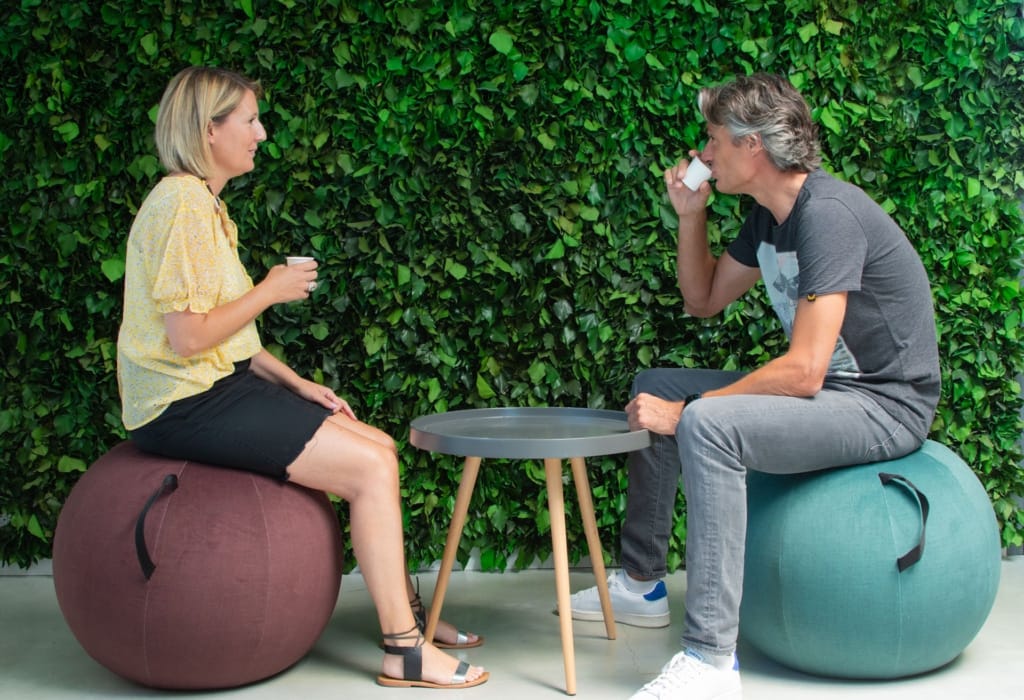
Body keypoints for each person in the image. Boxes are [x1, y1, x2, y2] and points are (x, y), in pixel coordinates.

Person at [568, 73, 941, 699]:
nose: (703, 155)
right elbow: (703, 299)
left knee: (704, 422)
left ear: (752, 148)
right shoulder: (768, 218)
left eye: (713, 140)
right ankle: (642, 583)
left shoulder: (827, 216)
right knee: (657, 383)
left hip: (883, 404)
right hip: (834, 392)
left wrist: (688, 412)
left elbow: (806, 370)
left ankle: (711, 662)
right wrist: (690, 217)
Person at [115, 66, 487, 690]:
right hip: (180, 402)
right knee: (370, 470)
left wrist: (294, 383)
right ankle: (405, 651)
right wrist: (269, 290)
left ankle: (407, 619)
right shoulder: (181, 202)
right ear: (210, 131)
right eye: (250, 121)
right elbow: (187, 337)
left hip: (214, 386)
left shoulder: (204, 204)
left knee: (379, 447)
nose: (261, 133)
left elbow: (228, 338)